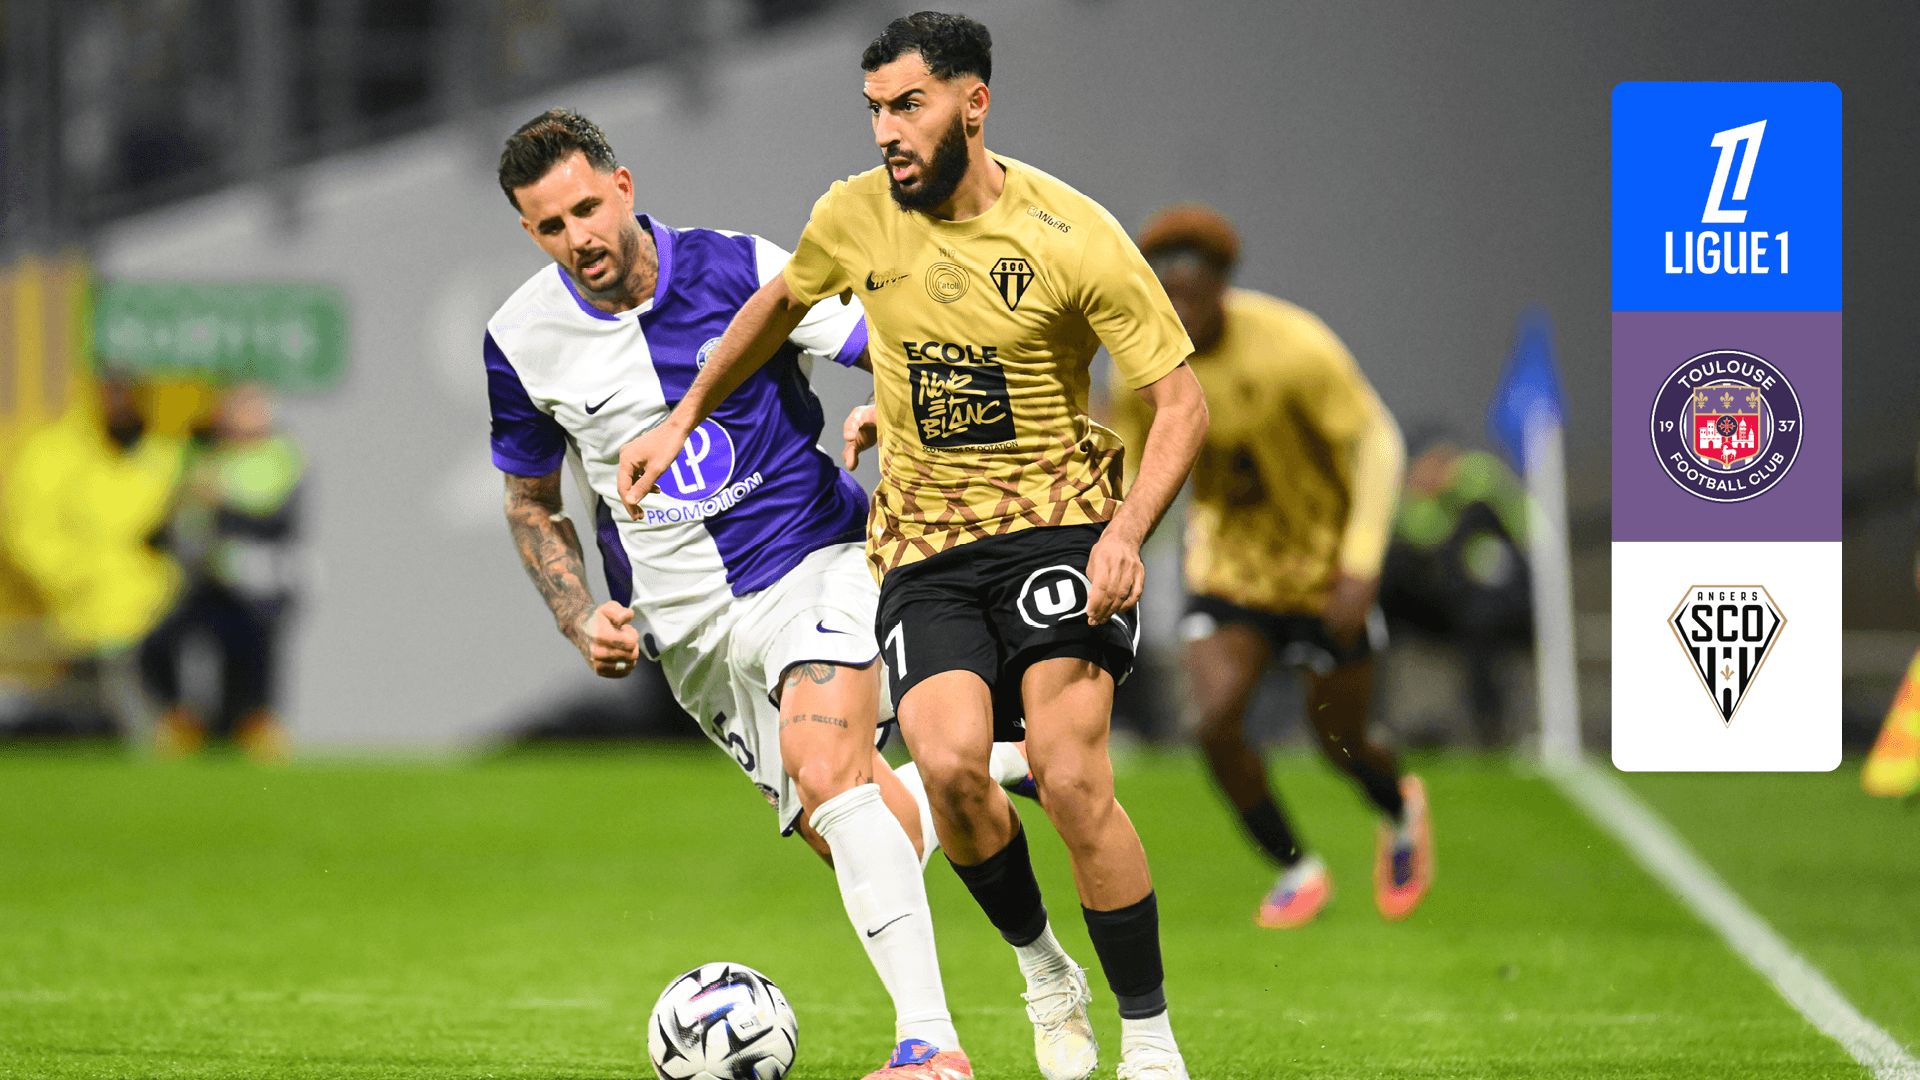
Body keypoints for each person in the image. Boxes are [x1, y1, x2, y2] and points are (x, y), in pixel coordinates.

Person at [613, 15, 1209, 1080]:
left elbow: (1182, 403)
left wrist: (1127, 533)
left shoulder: (1070, 234)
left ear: (973, 105)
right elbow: (777, 307)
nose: (887, 129)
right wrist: (683, 417)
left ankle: (1153, 1043)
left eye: (909, 105)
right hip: (923, 541)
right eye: (875, 109)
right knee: (949, 768)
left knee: (1072, 775)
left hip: (1055, 527)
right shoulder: (853, 213)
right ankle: (1044, 970)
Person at [483, 108, 1042, 1080]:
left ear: (623, 187)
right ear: (529, 231)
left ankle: (930, 1047)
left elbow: (895, 344)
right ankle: (974, 766)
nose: (579, 238)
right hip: (691, 635)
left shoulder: (740, 268)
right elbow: (533, 501)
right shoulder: (520, 339)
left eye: (587, 208)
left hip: (814, 560)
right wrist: (576, 615)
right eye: (551, 226)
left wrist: (896, 405)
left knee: (828, 772)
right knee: (858, 832)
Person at [1111, 203, 1434, 931]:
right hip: (1229, 569)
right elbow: (1128, 463)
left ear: (1222, 288)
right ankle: (1298, 866)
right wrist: (1115, 545)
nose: (1178, 310)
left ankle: (1398, 808)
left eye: (1193, 294)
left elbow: (1376, 441)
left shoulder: (1294, 347)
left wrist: (1360, 563)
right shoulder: (1140, 359)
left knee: (1341, 742)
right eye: (1166, 294)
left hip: (1323, 571)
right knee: (1214, 722)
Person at [140, 383, 305, 760]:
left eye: (246, 408)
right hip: (209, 577)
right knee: (162, 644)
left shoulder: (279, 455)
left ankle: (258, 726)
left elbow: (275, 520)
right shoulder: (205, 454)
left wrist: (221, 504)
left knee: (252, 656)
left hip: (260, 584)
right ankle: (183, 722)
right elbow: (177, 514)